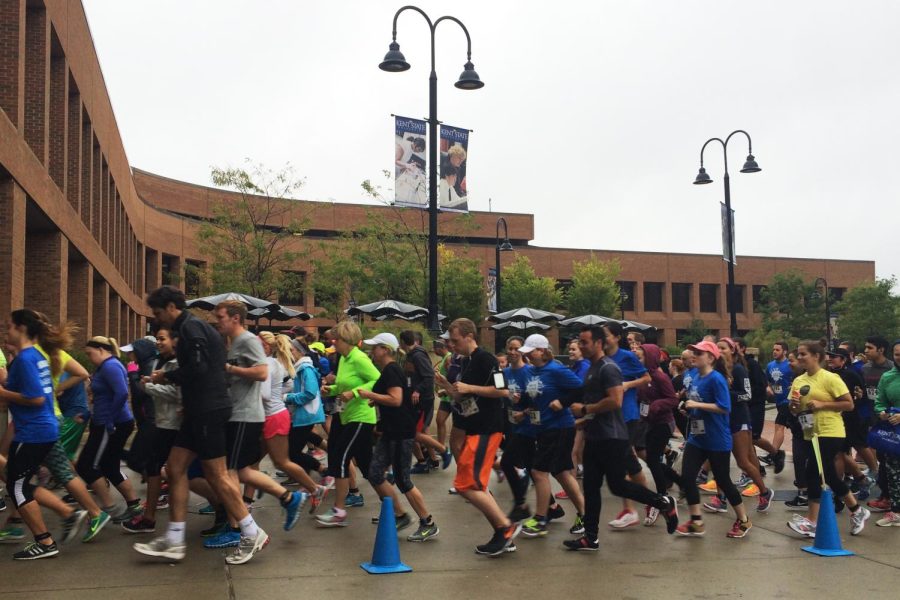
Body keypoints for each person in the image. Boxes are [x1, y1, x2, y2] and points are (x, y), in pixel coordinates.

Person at [135, 286, 268, 565]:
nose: (158, 319)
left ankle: (251, 531)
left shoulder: (191, 329)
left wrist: (166, 377)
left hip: (208, 410)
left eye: (159, 313)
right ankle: (174, 538)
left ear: (172, 307)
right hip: (198, 410)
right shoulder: (195, 329)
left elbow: (197, 368)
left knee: (218, 474)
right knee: (174, 469)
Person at [203, 301, 306, 550]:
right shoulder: (235, 342)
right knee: (241, 471)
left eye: (221, 316)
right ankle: (289, 497)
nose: (218, 321)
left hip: (246, 414)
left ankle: (236, 529)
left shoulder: (248, 340)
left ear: (236, 318)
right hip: (237, 413)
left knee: (229, 473)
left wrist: (229, 368)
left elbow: (261, 373)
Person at [565, 326, 678, 551]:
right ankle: (591, 537)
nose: (582, 345)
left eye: (585, 342)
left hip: (612, 437)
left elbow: (615, 401)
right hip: (595, 434)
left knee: (617, 485)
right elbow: (598, 404)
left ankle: (662, 502)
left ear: (598, 343)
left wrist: (585, 408)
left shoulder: (609, 367)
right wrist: (584, 420)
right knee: (591, 487)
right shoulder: (592, 369)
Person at [438, 318, 521, 555]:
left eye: (455, 341)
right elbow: (463, 396)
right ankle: (503, 533)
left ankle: (505, 528)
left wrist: (468, 389)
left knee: (466, 485)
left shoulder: (487, 359)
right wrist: (447, 386)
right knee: (476, 485)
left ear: (469, 336)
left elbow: (502, 390)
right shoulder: (465, 361)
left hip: (487, 428)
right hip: (475, 428)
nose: (452, 345)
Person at [358, 333, 439, 541]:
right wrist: (377, 401)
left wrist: (371, 396)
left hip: (401, 432)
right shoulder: (388, 370)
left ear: (385, 349)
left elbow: (395, 399)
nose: (371, 351)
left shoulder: (392, 370)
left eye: (375, 347)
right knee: (374, 473)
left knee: (403, 480)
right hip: (390, 431)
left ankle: (428, 522)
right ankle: (400, 514)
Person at [786, 341, 871, 538]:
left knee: (813, 472)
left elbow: (849, 404)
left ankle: (812, 521)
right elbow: (794, 409)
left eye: (803, 354)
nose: (799, 358)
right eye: (798, 354)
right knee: (829, 475)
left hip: (831, 431)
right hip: (810, 432)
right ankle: (857, 510)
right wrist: (794, 405)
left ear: (816, 356)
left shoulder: (830, 378)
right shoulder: (799, 381)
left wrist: (823, 404)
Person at [0, 309, 62, 559]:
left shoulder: (26, 358)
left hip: (33, 432)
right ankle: (46, 537)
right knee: (18, 482)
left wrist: (3, 394)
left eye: (10, 327)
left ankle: (45, 542)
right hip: (40, 429)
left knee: (16, 487)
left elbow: (35, 398)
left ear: (22, 329)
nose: (7, 331)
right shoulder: (36, 355)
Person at [674, 340, 752, 539]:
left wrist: (697, 405)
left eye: (699, 353)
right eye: (693, 352)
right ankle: (696, 521)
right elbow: (697, 403)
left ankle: (743, 519)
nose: (694, 356)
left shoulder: (716, 379)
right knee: (688, 478)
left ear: (710, 358)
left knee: (724, 481)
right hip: (697, 438)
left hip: (717, 439)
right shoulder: (695, 377)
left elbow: (724, 407)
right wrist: (688, 409)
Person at [517, 334, 586, 538]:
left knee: (538, 472)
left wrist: (563, 403)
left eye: (531, 351)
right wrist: (523, 406)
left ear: (542, 351)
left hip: (559, 427)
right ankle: (585, 514)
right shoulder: (532, 371)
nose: (527, 355)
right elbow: (535, 397)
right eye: (526, 352)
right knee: (562, 472)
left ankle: (540, 518)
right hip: (544, 427)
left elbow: (581, 389)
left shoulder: (556, 369)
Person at [316, 320, 380, 527]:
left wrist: (353, 394)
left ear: (348, 340)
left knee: (341, 459)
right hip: (344, 416)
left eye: (337, 339)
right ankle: (395, 507)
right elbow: (345, 385)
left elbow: (378, 380)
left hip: (360, 417)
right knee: (366, 465)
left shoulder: (359, 358)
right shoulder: (343, 358)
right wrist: (332, 390)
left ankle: (339, 511)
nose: (334, 342)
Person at [76, 336, 143, 523]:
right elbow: (102, 398)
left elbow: (122, 393)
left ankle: (108, 508)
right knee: (109, 465)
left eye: (90, 353)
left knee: (86, 466)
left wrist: (109, 420)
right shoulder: (104, 367)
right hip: (107, 422)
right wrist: (89, 415)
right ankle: (134, 506)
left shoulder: (111, 366)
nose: (89, 357)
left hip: (112, 424)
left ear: (101, 349)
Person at [703, 338, 773, 513]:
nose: (720, 350)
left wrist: (726, 392)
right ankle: (720, 498)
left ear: (733, 351)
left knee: (743, 461)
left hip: (738, 420)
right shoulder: (716, 371)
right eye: (717, 348)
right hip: (720, 421)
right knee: (719, 463)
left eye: (723, 348)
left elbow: (747, 395)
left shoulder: (739, 369)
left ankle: (764, 491)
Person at [124, 327, 182, 533]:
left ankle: (227, 512)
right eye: (157, 338)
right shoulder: (159, 362)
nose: (158, 342)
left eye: (162, 338)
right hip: (161, 422)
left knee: (188, 476)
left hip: (171, 424)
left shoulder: (175, 363)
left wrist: (147, 385)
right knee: (153, 467)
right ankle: (150, 519)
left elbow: (177, 395)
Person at [601, 322, 652, 529]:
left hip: (627, 415)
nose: (602, 339)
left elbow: (646, 378)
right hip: (609, 417)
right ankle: (649, 502)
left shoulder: (627, 357)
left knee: (622, 463)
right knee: (627, 464)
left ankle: (635, 508)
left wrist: (627, 385)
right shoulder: (601, 358)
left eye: (604, 335)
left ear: (616, 337)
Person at [635, 343, 682, 525]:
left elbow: (672, 399)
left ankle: (662, 498)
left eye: (640, 356)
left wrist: (657, 405)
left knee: (653, 459)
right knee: (651, 459)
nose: (637, 359)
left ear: (650, 358)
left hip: (664, 423)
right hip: (649, 423)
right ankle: (679, 481)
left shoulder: (660, 377)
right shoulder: (641, 376)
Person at [400, 331, 446, 474]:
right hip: (415, 399)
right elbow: (411, 377)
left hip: (422, 400)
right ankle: (430, 460)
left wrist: (417, 390)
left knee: (412, 432)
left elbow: (428, 376)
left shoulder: (418, 355)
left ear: (402, 341)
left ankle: (442, 452)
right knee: (420, 431)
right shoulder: (410, 356)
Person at [863, 336, 895, 512]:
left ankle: (889, 497)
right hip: (873, 419)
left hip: (892, 422)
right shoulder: (865, 369)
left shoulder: (891, 368)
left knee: (891, 460)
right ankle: (885, 496)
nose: (866, 350)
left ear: (881, 349)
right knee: (882, 458)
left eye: (869, 347)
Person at [874, 340, 900, 526]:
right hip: (893, 432)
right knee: (893, 472)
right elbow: (879, 401)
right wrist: (882, 412)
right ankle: (896, 511)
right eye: (897, 354)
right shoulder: (888, 377)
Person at [763, 342, 792, 469]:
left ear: (784, 351)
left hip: (789, 401)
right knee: (792, 429)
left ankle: (773, 454)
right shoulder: (770, 365)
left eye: (777, 350)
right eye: (773, 349)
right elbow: (767, 381)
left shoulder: (790, 365)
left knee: (779, 426)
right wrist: (768, 388)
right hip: (779, 401)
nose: (774, 351)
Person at [568, 339, 590, 479]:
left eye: (573, 349)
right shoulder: (575, 366)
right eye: (570, 349)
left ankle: (572, 483)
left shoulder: (584, 367)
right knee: (578, 450)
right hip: (577, 412)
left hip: (581, 413)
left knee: (573, 450)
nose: (570, 351)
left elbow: (580, 389)